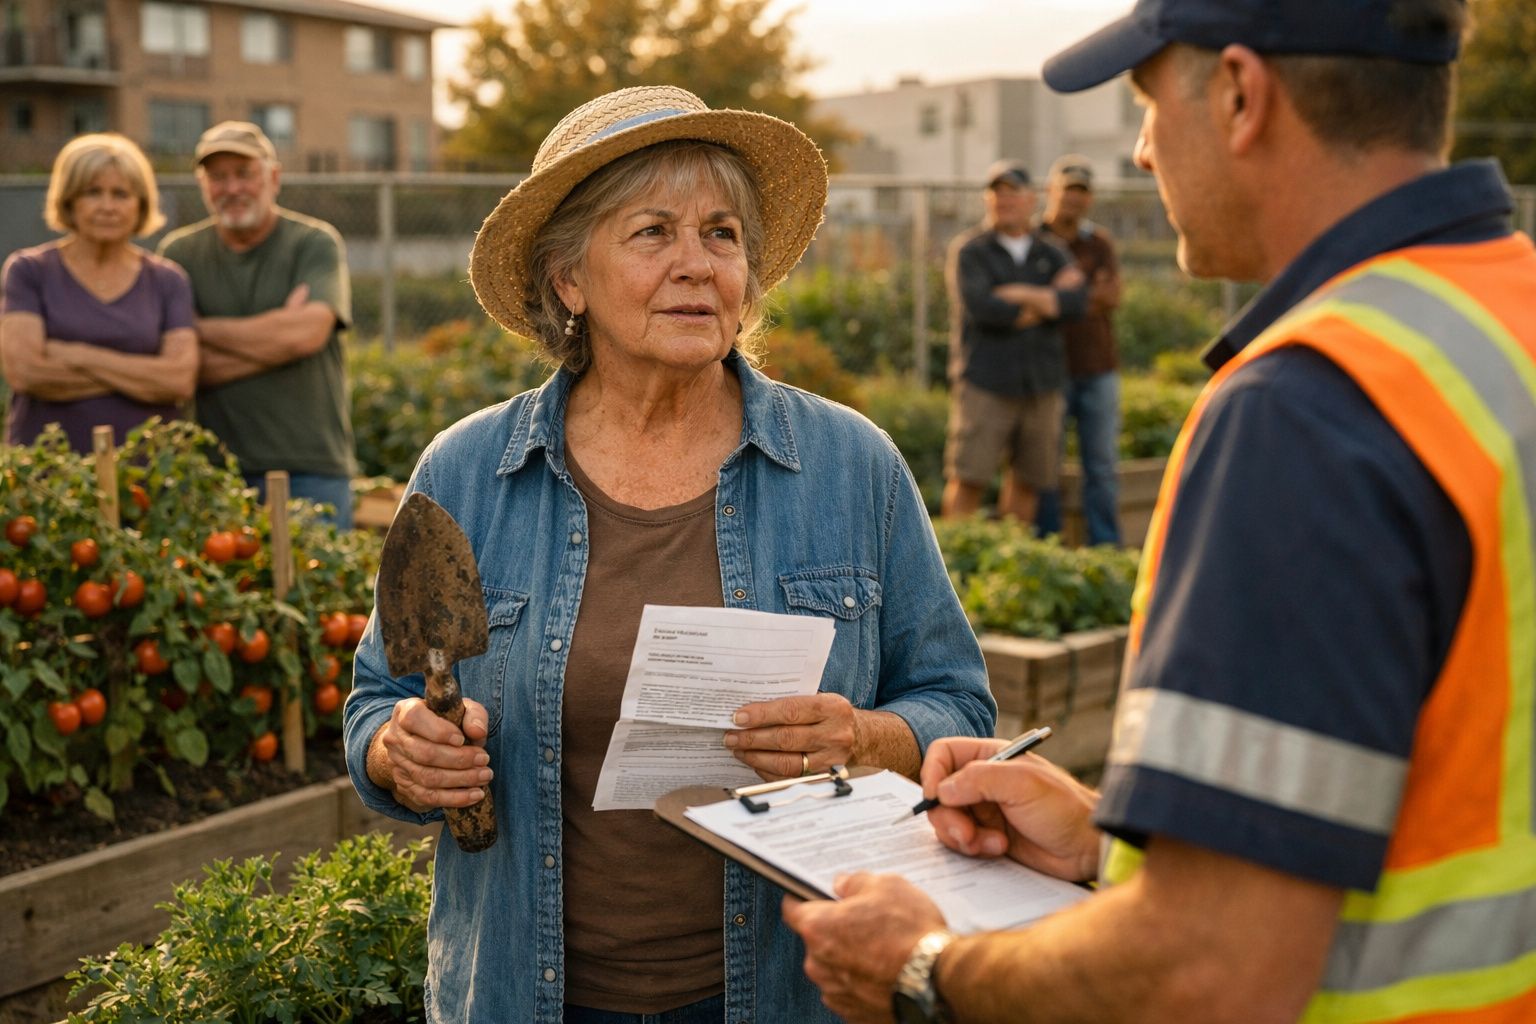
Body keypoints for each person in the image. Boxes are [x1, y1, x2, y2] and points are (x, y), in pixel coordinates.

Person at [785, 1, 1536, 1022]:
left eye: (1145, 103)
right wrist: (1116, 839)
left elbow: (1208, 965)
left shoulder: (1311, 411)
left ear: (1239, 93)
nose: (1139, 152)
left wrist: (925, 967)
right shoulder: (1500, 322)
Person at [342, 85, 996, 1024]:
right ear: (570, 280)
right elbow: (376, 700)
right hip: (529, 995)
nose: (698, 265)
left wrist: (864, 738)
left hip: (786, 991)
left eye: (722, 234)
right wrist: (400, 753)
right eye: (653, 232)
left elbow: (959, 702)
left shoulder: (851, 467)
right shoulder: (472, 470)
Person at [157, 121, 356, 528]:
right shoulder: (178, 254)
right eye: (218, 176)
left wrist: (200, 329)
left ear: (274, 177)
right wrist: (278, 336)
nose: (232, 188)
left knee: (315, 592)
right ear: (203, 185)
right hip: (214, 471)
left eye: (244, 173)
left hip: (311, 467)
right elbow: (180, 368)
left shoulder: (313, 242)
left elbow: (308, 334)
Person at [1, 133, 196, 452]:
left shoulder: (167, 280)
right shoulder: (28, 270)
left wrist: (77, 355)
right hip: (48, 475)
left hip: (146, 481)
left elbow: (178, 380)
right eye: (93, 192)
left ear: (140, 204)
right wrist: (141, 378)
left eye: (121, 194)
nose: (108, 206)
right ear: (69, 200)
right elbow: (25, 372)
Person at [942, 160, 1086, 524]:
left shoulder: (1050, 251)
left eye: (1013, 192)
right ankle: (951, 565)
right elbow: (985, 310)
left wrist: (1018, 294)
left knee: (1027, 482)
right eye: (997, 193)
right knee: (968, 479)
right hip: (985, 383)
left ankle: (1012, 561)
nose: (1004, 200)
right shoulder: (970, 250)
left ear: (1032, 199)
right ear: (987, 200)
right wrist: (1047, 300)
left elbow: (1076, 304)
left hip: (1041, 383)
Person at [1032, 155, 1124, 546]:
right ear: (1052, 191)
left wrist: (1058, 300)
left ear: (1090, 199)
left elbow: (1112, 295)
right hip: (1050, 370)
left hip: (1099, 367)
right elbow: (1031, 305)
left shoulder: (1098, 242)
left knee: (1101, 466)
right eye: (1068, 189)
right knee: (1045, 467)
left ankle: (1106, 548)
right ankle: (1049, 546)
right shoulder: (1033, 239)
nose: (1074, 199)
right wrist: (1082, 295)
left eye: (1082, 192)